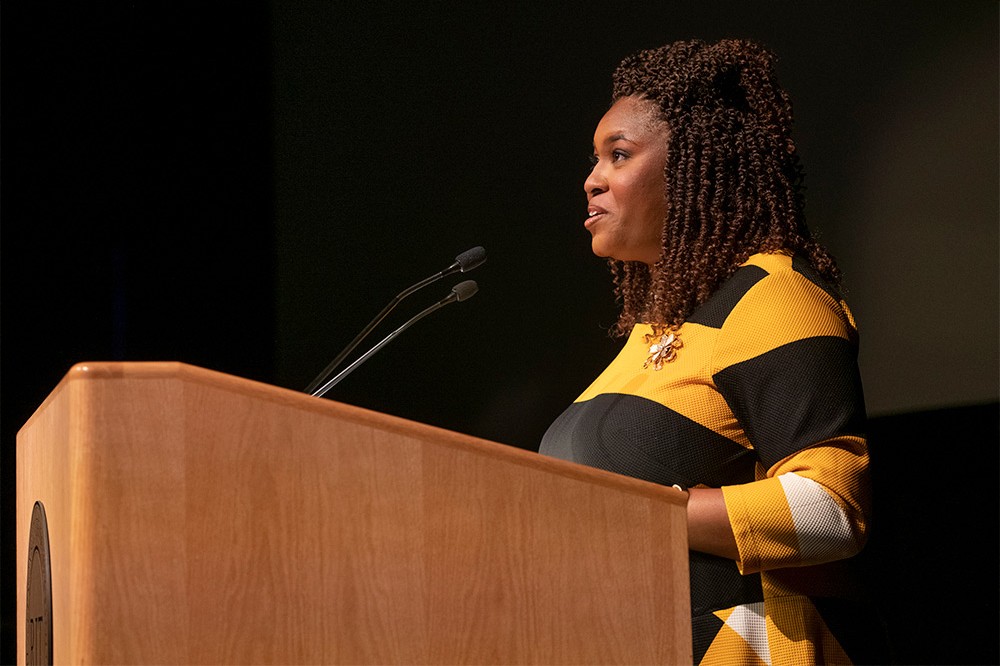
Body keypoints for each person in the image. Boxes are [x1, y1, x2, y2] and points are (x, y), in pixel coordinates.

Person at [540, 39, 884, 665]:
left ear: (697, 165)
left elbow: (831, 511)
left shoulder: (776, 298)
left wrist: (644, 511)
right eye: (595, 159)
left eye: (618, 155)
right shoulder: (655, 330)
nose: (592, 181)